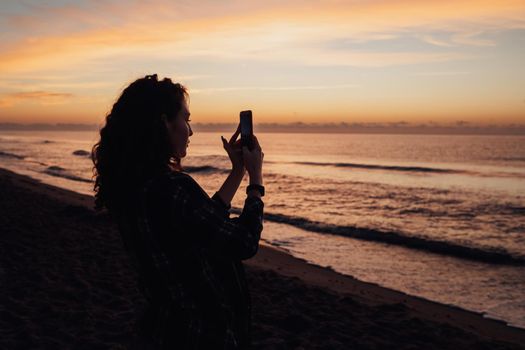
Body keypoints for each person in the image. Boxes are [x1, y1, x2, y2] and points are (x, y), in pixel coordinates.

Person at [91, 74, 265, 349]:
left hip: (164, 326)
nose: (190, 131)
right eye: (187, 119)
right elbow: (243, 243)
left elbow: (202, 221)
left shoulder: (135, 186)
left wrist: (237, 171)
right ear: (164, 123)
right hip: (201, 333)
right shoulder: (171, 188)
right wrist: (256, 181)